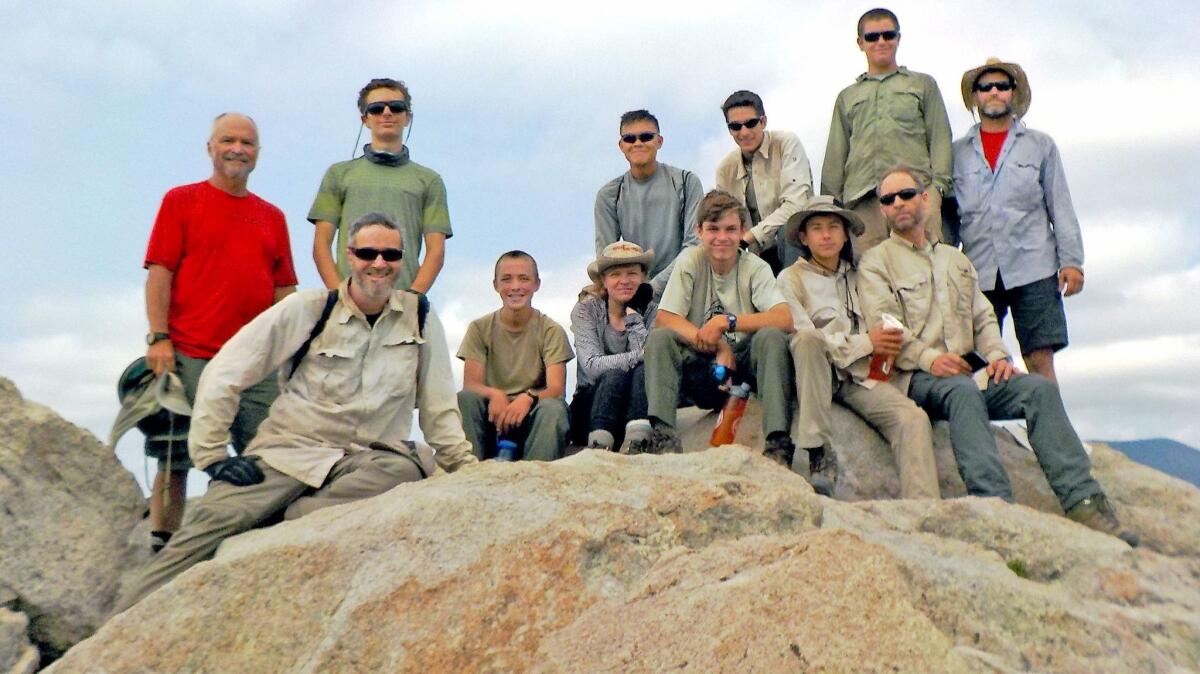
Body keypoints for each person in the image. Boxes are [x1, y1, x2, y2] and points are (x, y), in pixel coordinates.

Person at [113, 213, 477, 613]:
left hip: (363, 462)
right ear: (349, 256)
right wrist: (213, 456)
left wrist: (466, 471)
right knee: (198, 537)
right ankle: (105, 638)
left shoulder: (420, 317)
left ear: (402, 260)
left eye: (389, 254)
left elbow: (440, 406)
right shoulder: (310, 308)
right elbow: (227, 371)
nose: (378, 263)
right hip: (288, 455)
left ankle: (283, 520)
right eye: (367, 253)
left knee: (409, 468)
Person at [857, 167, 1137, 546]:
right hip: (918, 378)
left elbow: (983, 317)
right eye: (888, 200)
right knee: (961, 391)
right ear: (883, 211)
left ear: (925, 198)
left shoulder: (957, 262)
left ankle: (1084, 502)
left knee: (1037, 389)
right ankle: (993, 502)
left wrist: (997, 355)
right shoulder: (876, 263)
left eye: (906, 194)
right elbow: (886, 325)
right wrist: (929, 360)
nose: (898, 204)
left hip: (968, 370)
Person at [141, 112, 297, 552]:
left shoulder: (272, 217)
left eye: (247, 143)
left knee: (269, 453)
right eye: (228, 140)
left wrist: (296, 348)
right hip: (189, 351)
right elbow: (159, 273)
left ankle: (253, 543)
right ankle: (163, 543)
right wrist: (158, 337)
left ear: (258, 154)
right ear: (210, 147)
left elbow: (285, 289)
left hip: (255, 362)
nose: (238, 149)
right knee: (176, 456)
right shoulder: (181, 201)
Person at [777, 196, 939, 499]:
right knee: (808, 340)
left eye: (834, 227)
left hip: (863, 376)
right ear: (803, 237)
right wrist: (867, 342)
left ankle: (924, 508)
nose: (826, 235)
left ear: (844, 232)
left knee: (913, 419)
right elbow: (804, 333)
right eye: (817, 228)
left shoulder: (861, 273)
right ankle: (817, 452)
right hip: (819, 374)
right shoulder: (790, 278)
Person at [953, 58, 1084, 383]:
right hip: (977, 270)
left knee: (1039, 357)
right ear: (975, 96)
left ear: (1014, 92)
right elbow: (947, 214)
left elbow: (1060, 204)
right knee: (975, 358)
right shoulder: (957, 153)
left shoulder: (1040, 145)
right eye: (985, 87)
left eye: (1002, 86)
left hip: (1034, 266)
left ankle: (1047, 432)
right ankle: (980, 431)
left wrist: (1072, 261)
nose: (994, 92)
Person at [644, 190, 796, 461]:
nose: (722, 238)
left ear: (743, 231)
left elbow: (784, 317)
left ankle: (778, 441)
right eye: (713, 229)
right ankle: (664, 436)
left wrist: (727, 322)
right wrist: (719, 346)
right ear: (699, 231)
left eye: (730, 229)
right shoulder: (690, 260)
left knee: (772, 336)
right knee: (660, 339)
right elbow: (665, 317)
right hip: (706, 368)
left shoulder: (756, 267)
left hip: (746, 369)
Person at [821, 8, 953, 252]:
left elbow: (940, 138)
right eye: (872, 37)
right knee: (871, 278)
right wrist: (832, 207)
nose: (881, 41)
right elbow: (836, 154)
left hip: (914, 196)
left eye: (888, 35)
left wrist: (936, 191)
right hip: (863, 203)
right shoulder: (847, 96)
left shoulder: (922, 84)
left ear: (898, 39)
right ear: (860, 43)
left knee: (926, 272)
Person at [310, 78, 451, 293]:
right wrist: (339, 295)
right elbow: (321, 244)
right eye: (376, 109)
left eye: (396, 107)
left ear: (408, 118)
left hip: (402, 303)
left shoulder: (429, 181)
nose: (387, 113)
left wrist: (413, 298)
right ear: (365, 119)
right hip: (348, 303)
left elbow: (436, 249)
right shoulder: (338, 175)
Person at [457, 251, 574, 461]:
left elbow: (556, 388)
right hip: (493, 415)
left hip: (531, 416)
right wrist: (495, 395)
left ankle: (536, 473)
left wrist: (528, 398)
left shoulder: (550, 330)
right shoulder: (479, 328)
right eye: (506, 279)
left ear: (537, 284)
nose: (515, 287)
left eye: (524, 279)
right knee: (465, 399)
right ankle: (469, 467)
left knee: (553, 408)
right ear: (495, 285)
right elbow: (471, 384)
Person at [595, 109, 704, 298]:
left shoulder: (686, 182)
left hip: (686, 285)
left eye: (646, 137)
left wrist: (653, 288)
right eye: (630, 139)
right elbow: (606, 257)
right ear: (621, 145)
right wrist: (633, 289)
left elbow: (694, 245)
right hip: (632, 292)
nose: (638, 143)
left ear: (659, 141)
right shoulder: (609, 195)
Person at [569, 242, 659, 452]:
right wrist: (641, 354)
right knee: (615, 375)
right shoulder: (585, 311)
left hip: (636, 406)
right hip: (590, 407)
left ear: (643, 276)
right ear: (603, 280)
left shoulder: (653, 312)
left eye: (632, 273)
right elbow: (592, 366)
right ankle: (599, 444)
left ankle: (637, 442)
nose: (624, 281)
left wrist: (635, 319)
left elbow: (651, 362)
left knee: (643, 371)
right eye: (615, 274)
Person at [715, 90, 815, 273]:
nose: (743, 132)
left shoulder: (786, 143)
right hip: (753, 257)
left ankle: (790, 296)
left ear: (764, 122)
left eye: (751, 123)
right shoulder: (725, 170)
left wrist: (750, 236)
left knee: (788, 229)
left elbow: (796, 205)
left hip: (797, 246)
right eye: (735, 127)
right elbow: (722, 220)